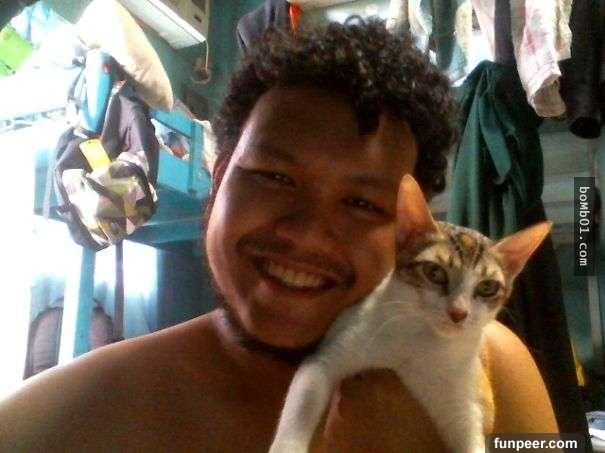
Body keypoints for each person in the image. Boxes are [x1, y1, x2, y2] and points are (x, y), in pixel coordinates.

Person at [0, 18, 558, 452]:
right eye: (274, 178)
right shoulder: (50, 423)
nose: (309, 236)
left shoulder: (496, 371)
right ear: (219, 180)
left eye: (362, 203)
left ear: (409, 232)